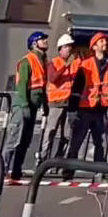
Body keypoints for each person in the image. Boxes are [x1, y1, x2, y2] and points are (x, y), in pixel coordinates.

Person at [5, 28, 47, 182]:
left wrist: (45, 105)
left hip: (33, 107)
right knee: (15, 139)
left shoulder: (43, 61)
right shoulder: (27, 61)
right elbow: (21, 85)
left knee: (25, 142)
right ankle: (3, 168)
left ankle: (16, 170)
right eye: (43, 39)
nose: (46, 42)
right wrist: (24, 105)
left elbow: (42, 86)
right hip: (23, 107)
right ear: (35, 43)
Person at [71, 32, 108, 165]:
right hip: (85, 109)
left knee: (101, 143)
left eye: (105, 41)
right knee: (76, 141)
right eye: (101, 41)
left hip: (101, 110)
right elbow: (76, 89)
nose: (105, 43)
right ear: (94, 46)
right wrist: (72, 110)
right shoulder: (85, 65)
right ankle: (68, 171)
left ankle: (100, 171)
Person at [42, 30, 81, 167]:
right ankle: (43, 159)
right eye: (67, 46)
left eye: (70, 46)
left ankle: (58, 161)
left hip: (69, 103)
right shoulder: (54, 63)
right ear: (61, 48)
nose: (69, 49)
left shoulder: (75, 63)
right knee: (51, 131)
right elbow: (53, 78)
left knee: (66, 134)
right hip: (56, 102)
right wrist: (65, 66)